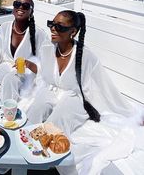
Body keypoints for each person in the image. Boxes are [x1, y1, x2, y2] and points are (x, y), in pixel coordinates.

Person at [27, 10, 144, 174]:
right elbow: (44, 75)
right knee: (36, 108)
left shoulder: (87, 56)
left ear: (73, 32)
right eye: (51, 24)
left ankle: (43, 160)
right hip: (53, 90)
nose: (53, 29)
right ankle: (24, 150)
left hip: (77, 98)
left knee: (55, 122)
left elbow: (105, 87)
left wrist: (132, 113)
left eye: (59, 27)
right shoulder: (47, 48)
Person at [0, 0, 49, 103]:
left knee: (10, 80)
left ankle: (7, 111)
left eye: (26, 6)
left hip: (25, 72)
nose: (20, 8)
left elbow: (46, 62)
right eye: (17, 4)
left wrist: (29, 64)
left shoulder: (39, 34)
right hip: (6, 66)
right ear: (13, 9)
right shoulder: (4, 27)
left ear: (31, 12)